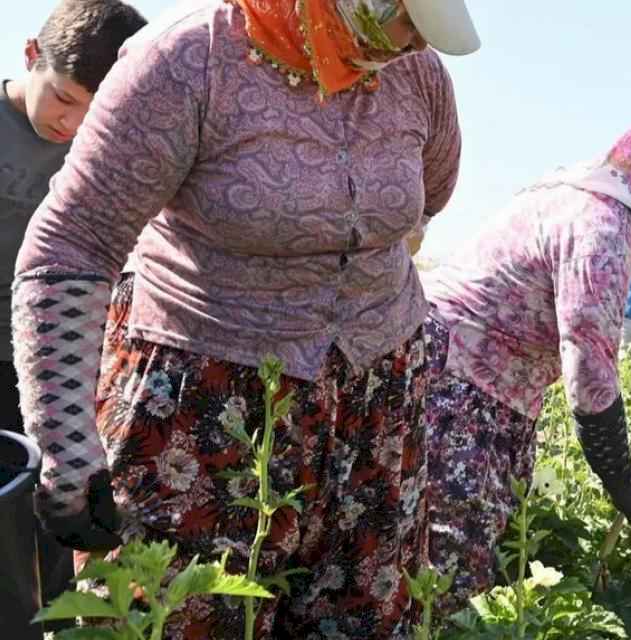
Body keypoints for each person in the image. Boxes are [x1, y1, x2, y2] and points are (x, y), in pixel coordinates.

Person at [11, 1, 476, 636]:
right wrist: (66, 442)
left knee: (357, 618)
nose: (415, 43)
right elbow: (72, 243)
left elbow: (435, 188)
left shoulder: (417, 75)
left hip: (373, 405)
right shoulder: (188, 61)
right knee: (184, 614)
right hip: (204, 409)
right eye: (406, 21)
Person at [418, 98, 631, 612]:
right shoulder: (600, 228)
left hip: (469, 383)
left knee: (462, 559)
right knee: (449, 578)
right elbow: (591, 375)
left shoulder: (583, 193)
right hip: (457, 391)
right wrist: (626, 487)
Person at [0, 1, 146, 637]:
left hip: (52, 377)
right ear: (32, 56)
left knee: (50, 535)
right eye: (63, 97)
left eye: (94, 108)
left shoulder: (106, 153)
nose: (73, 121)